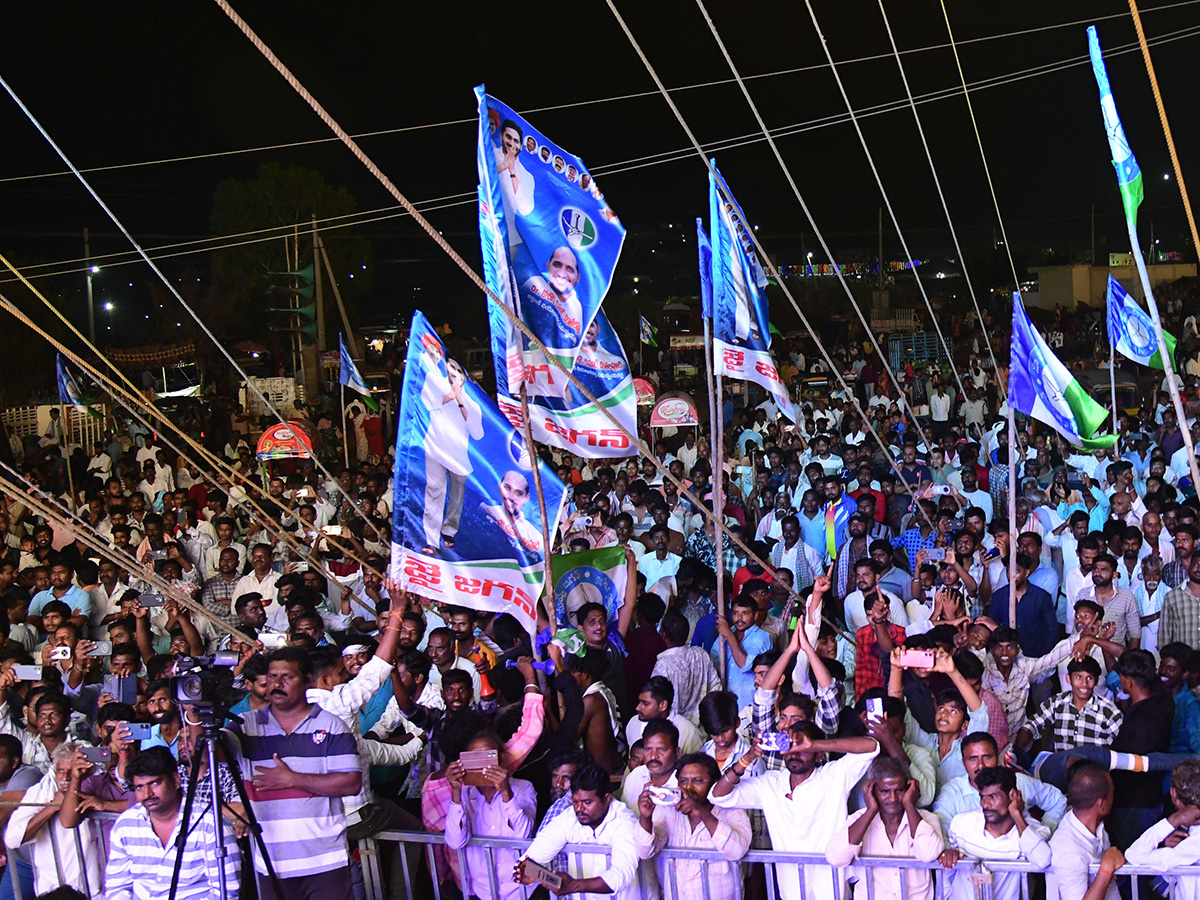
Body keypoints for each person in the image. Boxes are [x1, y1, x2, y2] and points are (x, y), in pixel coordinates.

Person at [230, 647, 362, 899]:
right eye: (272, 676)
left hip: (325, 862)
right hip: (271, 862)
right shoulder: (245, 726)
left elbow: (351, 783)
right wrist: (194, 711)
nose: (277, 683)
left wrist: (292, 779)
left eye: (287, 677)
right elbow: (206, 755)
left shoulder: (331, 725)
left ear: (308, 680)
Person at [711, 720, 880, 900]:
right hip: (790, 890)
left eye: (802, 749)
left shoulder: (833, 776)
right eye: (790, 747)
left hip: (831, 889)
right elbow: (718, 795)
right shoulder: (770, 783)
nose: (794, 753)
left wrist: (813, 744)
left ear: (818, 755)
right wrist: (749, 757)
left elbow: (872, 746)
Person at [104, 745, 242, 899]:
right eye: (139, 787)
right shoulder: (126, 825)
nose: (147, 794)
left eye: (155, 783)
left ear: (176, 781)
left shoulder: (209, 824)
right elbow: (116, 888)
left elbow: (226, 893)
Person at [634, 752, 751, 900]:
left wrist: (702, 813)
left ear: (714, 782)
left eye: (697, 781)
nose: (688, 787)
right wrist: (645, 817)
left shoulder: (733, 812)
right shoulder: (669, 811)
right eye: (683, 781)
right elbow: (644, 852)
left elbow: (737, 851)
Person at [517, 763, 640, 900]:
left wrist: (574, 885)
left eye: (587, 802)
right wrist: (526, 870)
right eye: (575, 802)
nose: (579, 809)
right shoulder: (569, 818)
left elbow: (620, 876)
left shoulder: (625, 822)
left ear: (606, 799)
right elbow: (536, 854)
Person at [827, 756, 944, 900]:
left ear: (909, 788)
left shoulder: (927, 819)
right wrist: (871, 810)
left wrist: (909, 805)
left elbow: (929, 854)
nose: (893, 798)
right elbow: (836, 857)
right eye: (884, 792)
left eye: (900, 791)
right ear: (872, 790)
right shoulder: (858, 820)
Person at [445, 731, 537, 900]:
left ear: (500, 758)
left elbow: (523, 835)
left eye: (487, 756)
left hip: (521, 891)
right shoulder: (466, 795)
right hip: (484, 892)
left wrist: (505, 792)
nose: (481, 765)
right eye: (474, 758)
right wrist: (456, 792)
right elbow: (455, 841)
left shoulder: (522, 788)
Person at [4, 741, 102, 897]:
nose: (65, 777)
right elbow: (12, 838)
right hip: (51, 888)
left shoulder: (98, 788)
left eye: (72, 771)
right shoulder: (43, 791)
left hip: (93, 888)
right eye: (60, 771)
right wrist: (51, 807)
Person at [941, 766, 1052, 900]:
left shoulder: (1032, 831)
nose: (986, 805)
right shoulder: (961, 824)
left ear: (1013, 795)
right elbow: (948, 874)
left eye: (993, 797)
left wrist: (1017, 814)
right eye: (983, 797)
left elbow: (1043, 860)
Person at [420, 351, 483, 554]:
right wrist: (450, 395)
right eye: (448, 373)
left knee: (457, 495)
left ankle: (449, 530)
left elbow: (477, 432)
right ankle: (431, 539)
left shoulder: (471, 403)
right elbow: (428, 403)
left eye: (455, 374)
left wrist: (461, 400)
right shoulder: (435, 385)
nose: (451, 377)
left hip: (458, 455)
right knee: (435, 489)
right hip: (435, 448)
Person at [1047, 762, 1124, 900]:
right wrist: (1106, 870)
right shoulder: (1068, 851)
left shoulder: (1097, 828)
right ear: (1101, 804)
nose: (1113, 800)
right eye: (1112, 795)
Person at [481, 471, 544, 556]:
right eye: (507, 488)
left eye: (518, 493)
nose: (511, 497)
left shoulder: (536, 539)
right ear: (500, 487)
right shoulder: (484, 510)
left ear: (526, 498)